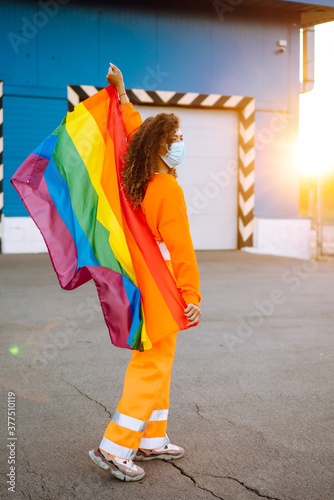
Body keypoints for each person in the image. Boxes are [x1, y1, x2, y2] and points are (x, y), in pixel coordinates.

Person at [89, 63, 202, 482]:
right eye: (175, 139)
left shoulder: (136, 183)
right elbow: (182, 249)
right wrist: (192, 296)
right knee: (152, 363)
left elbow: (133, 132)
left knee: (160, 358)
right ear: (160, 148)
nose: (181, 144)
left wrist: (121, 94)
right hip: (162, 283)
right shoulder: (167, 190)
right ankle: (114, 448)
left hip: (141, 279)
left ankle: (151, 438)